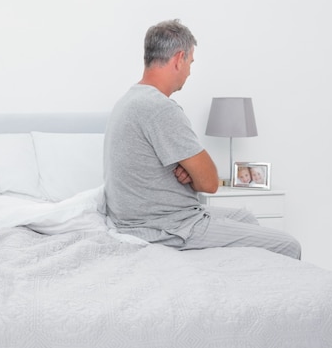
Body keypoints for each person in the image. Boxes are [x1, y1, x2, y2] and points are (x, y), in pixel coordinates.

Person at [103, 19, 300, 259]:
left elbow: (189, 174)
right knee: (289, 245)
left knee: (246, 217)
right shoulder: (159, 108)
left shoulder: (129, 100)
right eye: (190, 63)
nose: (189, 72)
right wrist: (195, 175)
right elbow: (209, 183)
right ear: (179, 58)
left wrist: (190, 171)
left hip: (153, 219)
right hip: (170, 228)